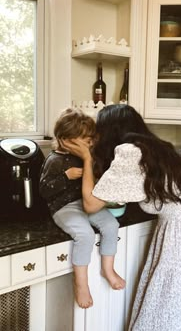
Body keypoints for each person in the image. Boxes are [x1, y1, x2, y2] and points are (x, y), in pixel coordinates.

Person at [62, 104, 181, 331]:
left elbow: (91, 204)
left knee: (169, 306)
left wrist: (87, 158)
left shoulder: (129, 152)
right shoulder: (154, 147)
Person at [39, 107, 125, 309]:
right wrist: (64, 177)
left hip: (85, 203)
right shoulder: (54, 160)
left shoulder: (87, 156)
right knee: (85, 234)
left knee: (111, 225)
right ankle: (81, 284)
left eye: (91, 139)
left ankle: (108, 269)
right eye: (85, 139)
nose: (91, 143)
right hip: (64, 208)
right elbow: (43, 190)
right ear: (65, 139)